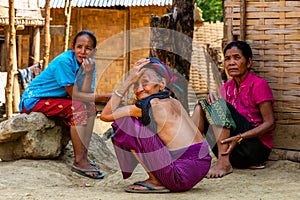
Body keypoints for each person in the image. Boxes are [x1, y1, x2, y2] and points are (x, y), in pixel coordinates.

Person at [100, 57, 212, 193]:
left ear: (162, 84)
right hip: (203, 165)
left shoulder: (151, 106)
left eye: (145, 82)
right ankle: (160, 178)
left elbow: (105, 115)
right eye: (135, 84)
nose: (139, 89)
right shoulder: (173, 101)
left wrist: (128, 80)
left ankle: (155, 181)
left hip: (181, 175)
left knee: (125, 123)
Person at [19, 30, 111, 179]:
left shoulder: (89, 66)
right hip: (34, 100)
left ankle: (84, 157)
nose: (83, 51)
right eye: (79, 47)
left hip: (56, 99)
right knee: (79, 108)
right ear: (72, 47)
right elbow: (76, 96)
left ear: (94, 51)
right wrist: (108, 97)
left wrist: (88, 74)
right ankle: (79, 161)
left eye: (88, 48)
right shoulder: (65, 62)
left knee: (90, 108)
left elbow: (86, 94)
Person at [191, 40, 275, 178]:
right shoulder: (226, 88)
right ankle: (190, 156)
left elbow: (270, 123)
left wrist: (240, 137)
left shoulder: (259, 85)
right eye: (227, 59)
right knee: (202, 106)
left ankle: (223, 163)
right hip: (232, 150)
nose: (231, 63)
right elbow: (214, 112)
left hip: (254, 150)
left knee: (215, 103)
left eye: (237, 58)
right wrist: (209, 100)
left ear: (248, 62)